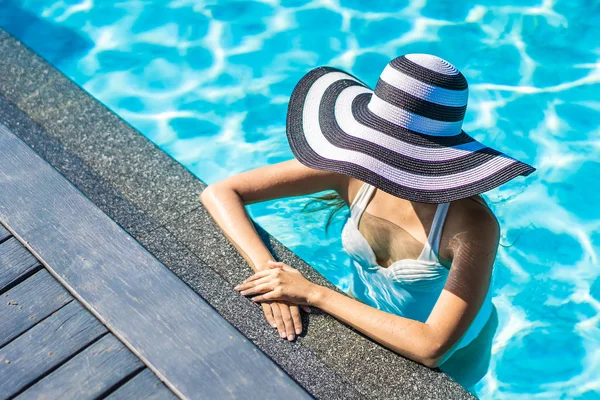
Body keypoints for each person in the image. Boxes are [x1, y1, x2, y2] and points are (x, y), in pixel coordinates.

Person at [200, 54, 535, 368]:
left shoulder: (471, 225)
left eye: (392, 147)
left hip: (459, 352)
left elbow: (433, 347)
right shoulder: (354, 166)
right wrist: (271, 275)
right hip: (362, 317)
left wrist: (315, 294)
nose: (380, 158)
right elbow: (221, 192)